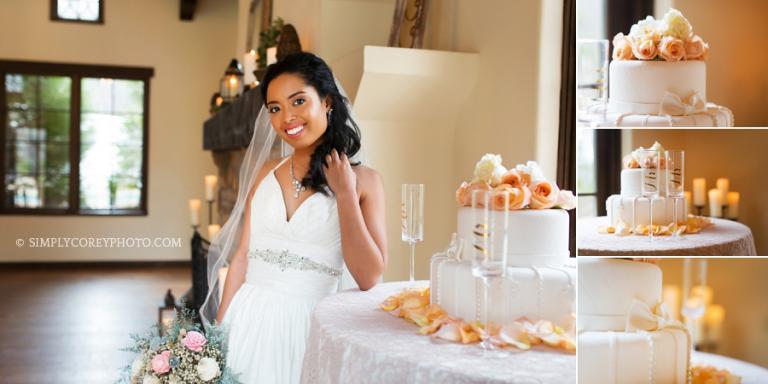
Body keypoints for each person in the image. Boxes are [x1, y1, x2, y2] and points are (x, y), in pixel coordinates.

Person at [211, 52, 387, 383]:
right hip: (247, 319)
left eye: (298, 101)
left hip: (311, 326)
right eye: (275, 108)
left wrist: (345, 194)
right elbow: (241, 259)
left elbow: (368, 277)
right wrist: (220, 333)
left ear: (328, 102)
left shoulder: (366, 182)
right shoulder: (264, 172)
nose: (286, 117)